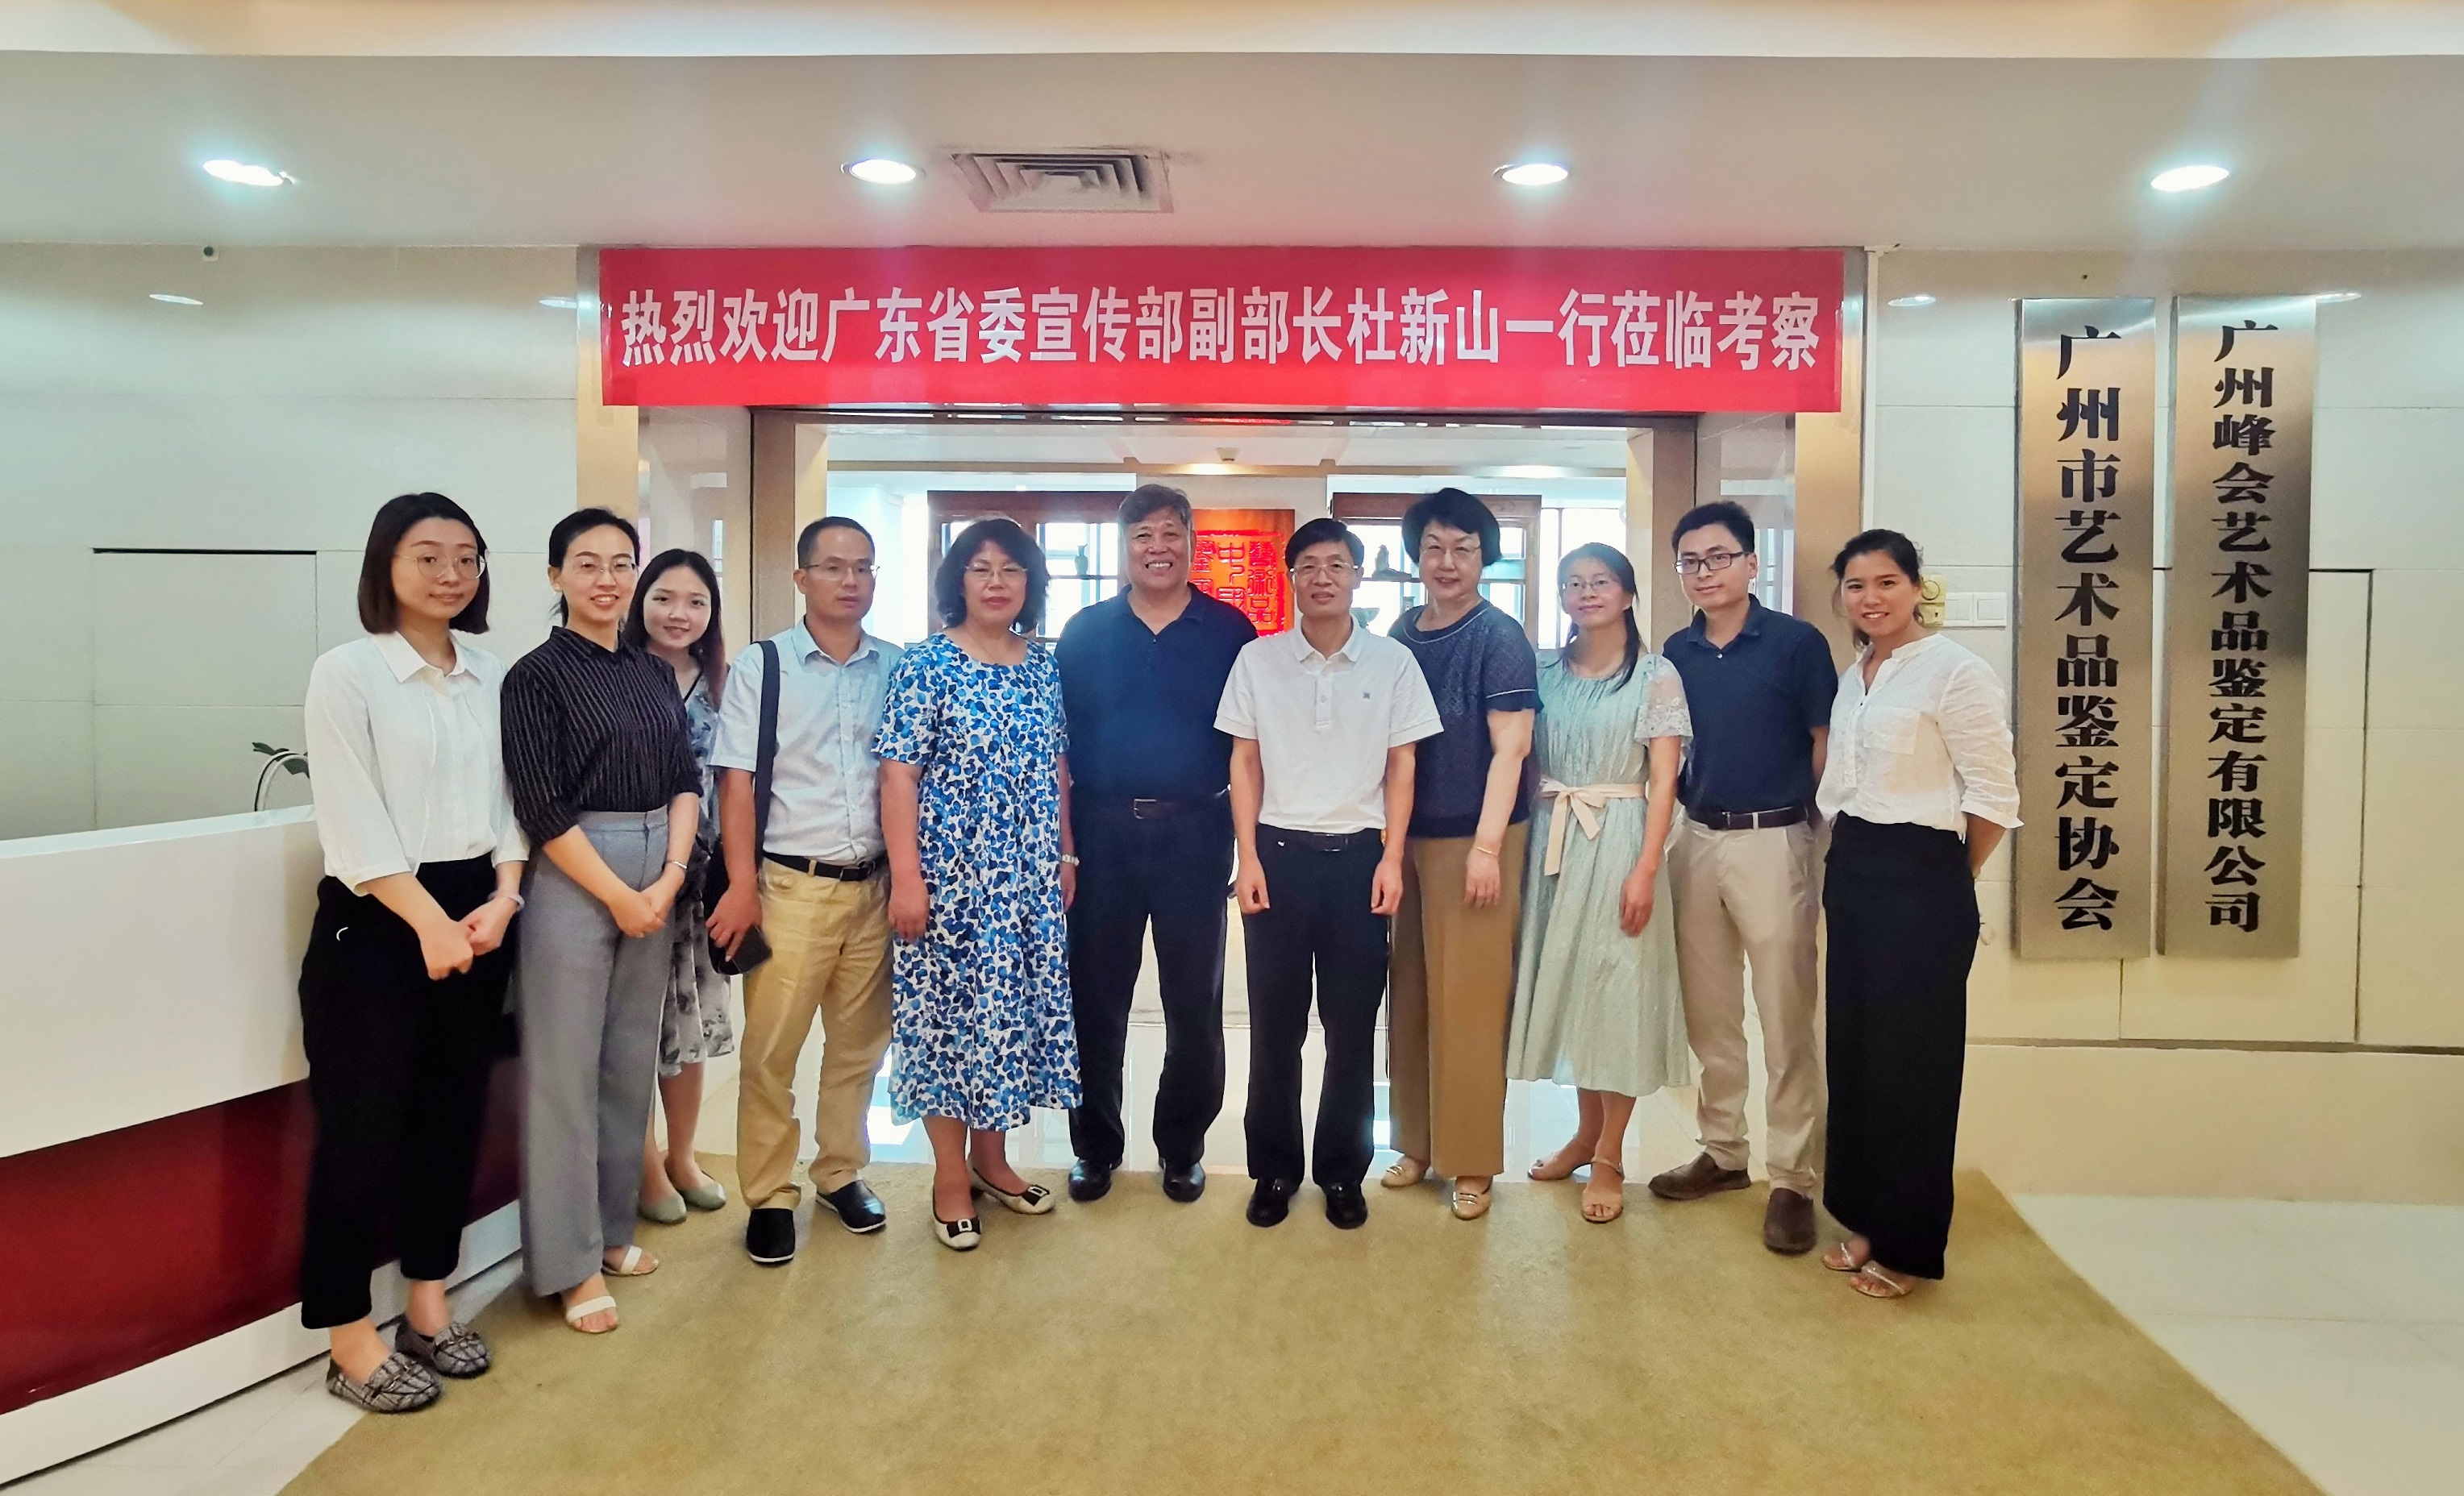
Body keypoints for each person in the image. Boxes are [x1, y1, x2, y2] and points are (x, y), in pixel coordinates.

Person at [297, 492, 526, 1412]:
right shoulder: (348, 673)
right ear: (385, 565)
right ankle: (348, 1337)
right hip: (377, 921)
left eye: (466, 556)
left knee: (449, 1118)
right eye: (427, 555)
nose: (450, 573)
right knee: (361, 1130)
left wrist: (505, 897)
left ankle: (429, 1304)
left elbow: (512, 801)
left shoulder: (491, 672)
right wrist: (430, 921)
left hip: (481, 912)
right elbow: (351, 818)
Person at [501, 508, 701, 1334]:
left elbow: (685, 778)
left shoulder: (651, 671)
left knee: (626, 1066)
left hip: (659, 869)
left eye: (621, 563)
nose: (607, 579)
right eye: (587, 563)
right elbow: (539, 803)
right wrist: (619, 894)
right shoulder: (534, 676)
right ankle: (568, 1263)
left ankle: (613, 1231)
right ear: (556, 576)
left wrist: (671, 876)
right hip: (575, 874)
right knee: (564, 1075)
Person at [1218, 517, 1441, 1231]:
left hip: (1359, 864)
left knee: (1352, 1029)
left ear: (1356, 576)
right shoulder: (1258, 660)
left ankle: (1343, 1171)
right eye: (1309, 565)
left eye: (1337, 565)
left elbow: (1403, 764)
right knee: (1274, 1028)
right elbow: (1244, 760)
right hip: (1278, 858)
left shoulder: (1392, 662)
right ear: (1291, 578)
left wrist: (1392, 858)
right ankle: (1274, 1170)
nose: (1323, 577)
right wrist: (1248, 857)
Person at [1815, 529, 2018, 1299]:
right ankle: (1867, 1219)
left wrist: (1950, 882)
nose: (1870, 598)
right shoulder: (1856, 675)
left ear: (1916, 587)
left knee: (1914, 1069)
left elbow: (1993, 795)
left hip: (1923, 878)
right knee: (1858, 1056)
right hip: (1855, 869)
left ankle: (1909, 1246)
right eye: (1856, 585)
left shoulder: (1956, 671)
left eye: (1887, 582)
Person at [875, 517, 1080, 1252]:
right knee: (947, 1023)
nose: (997, 583)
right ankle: (949, 1177)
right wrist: (907, 878)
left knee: (1007, 1019)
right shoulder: (926, 664)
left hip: (1026, 880)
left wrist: (1066, 855)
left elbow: (1057, 766)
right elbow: (898, 775)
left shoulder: (1041, 666)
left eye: (1011, 570)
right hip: (951, 882)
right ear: (957, 580)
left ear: (1030, 584)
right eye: (981, 568)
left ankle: (993, 1162)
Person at [705, 517, 902, 1266]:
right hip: (791, 886)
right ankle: (769, 1194)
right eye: (833, 567)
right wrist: (742, 885)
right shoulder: (764, 666)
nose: (850, 581)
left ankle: (840, 1173)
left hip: (875, 887)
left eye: (863, 568)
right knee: (771, 1053)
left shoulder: (897, 666)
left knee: (859, 1048)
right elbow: (736, 782)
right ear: (802, 578)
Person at [1055, 484, 1256, 1205]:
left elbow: (1248, 747)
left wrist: (1249, 845)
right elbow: (1059, 748)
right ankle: (1096, 1148)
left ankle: (1181, 1148)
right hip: (1102, 830)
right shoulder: (1084, 632)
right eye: (1143, 535)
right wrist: (1066, 847)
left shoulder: (1230, 631)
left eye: (1171, 533)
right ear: (1125, 548)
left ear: (1192, 544)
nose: (1157, 548)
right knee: (1095, 999)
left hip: (1195, 830)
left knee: (1194, 1003)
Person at [1653, 500, 1840, 1256]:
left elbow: (1824, 742)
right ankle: (1723, 1151)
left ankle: (1793, 1178)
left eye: (1719, 557)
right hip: (1697, 837)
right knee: (1710, 1010)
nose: (1705, 573)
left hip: (1775, 838)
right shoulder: (1677, 650)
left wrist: (1808, 828)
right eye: (1691, 562)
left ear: (1752, 563)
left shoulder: (1796, 644)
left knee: (1785, 1012)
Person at [1508, 544, 1692, 1224]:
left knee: (1619, 990)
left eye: (1601, 582)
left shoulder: (1655, 674)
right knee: (1574, 992)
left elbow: (1664, 780)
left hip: (1619, 838)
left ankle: (1611, 1154)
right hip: (1553, 837)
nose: (1586, 593)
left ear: (1627, 594)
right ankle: (1584, 1135)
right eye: (1573, 583)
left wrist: (1646, 867)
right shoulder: (1542, 670)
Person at [1380, 488, 1538, 1221]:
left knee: (1470, 1003)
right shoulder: (1401, 632)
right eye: (1434, 548)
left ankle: (1471, 1158)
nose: (1448, 562)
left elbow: (1513, 748)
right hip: (1407, 838)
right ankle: (1416, 1142)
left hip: (1477, 839)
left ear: (1485, 557)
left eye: (1464, 549)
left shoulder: (1499, 635)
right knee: (1411, 996)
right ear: (1417, 556)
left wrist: (1486, 847)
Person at [623, 551, 735, 1227]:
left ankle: (684, 1156)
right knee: (635, 1025)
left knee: (689, 1022)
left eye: (696, 602)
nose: (678, 614)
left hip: (704, 881)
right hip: (634, 878)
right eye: (664, 597)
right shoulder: (618, 672)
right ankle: (643, 1164)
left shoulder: (725, 682)